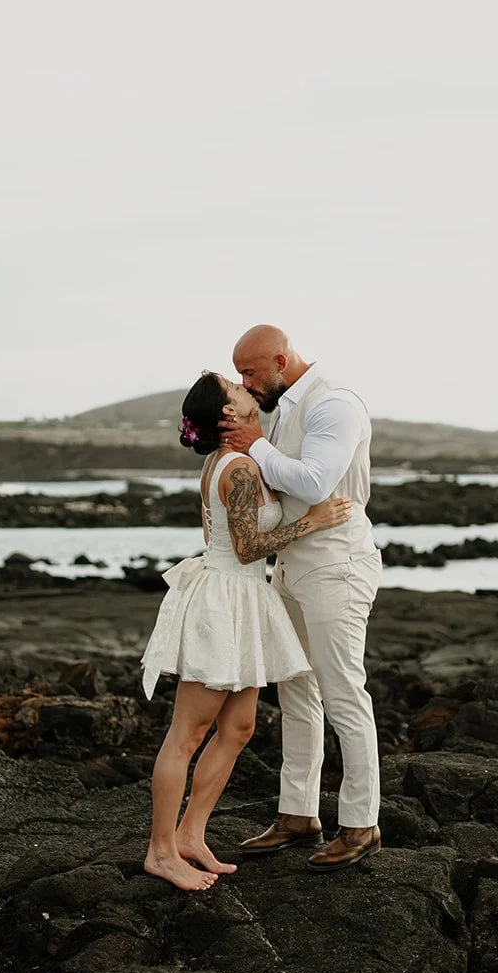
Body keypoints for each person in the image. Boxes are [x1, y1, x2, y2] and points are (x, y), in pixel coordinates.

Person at [139, 371, 353, 891]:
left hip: (243, 598)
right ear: (228, 413)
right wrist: (315, 521)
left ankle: (191, 835)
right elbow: (246, 548)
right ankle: (161, 852)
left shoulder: (233, 459)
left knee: (238, 728)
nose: (244, 387)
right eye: (234, 388)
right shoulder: (235, 468)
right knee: (187, 735)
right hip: (224, 601)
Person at [218, 325, 385, 872]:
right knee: (295, 690)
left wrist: (255, 446)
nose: (245, 383)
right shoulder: (284, 409)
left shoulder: (334, 404)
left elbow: (313, 483)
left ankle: (361, 823)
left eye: (249, 373)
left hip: (337, 567)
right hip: (290, 568)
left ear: (280, 360)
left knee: (343, 692)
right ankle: (297, 814)